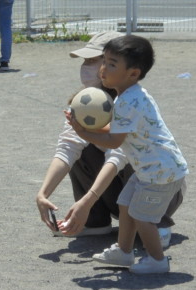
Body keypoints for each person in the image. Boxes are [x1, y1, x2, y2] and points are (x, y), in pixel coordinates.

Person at [36, 32, 183, 247]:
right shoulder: (85, 100)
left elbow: (118, 155)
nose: (90, 67)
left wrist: (87, 200)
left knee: (135, 159)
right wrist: (43, 194)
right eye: (88, 61)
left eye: (98, 61)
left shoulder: (129, 101)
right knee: (81, 144)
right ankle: (95, 221)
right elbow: (67, 147)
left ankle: (158, 223)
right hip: (121, 194)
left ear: (128, 68)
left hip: (162, 189)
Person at [66, 34, 188, 274]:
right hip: (151, 169)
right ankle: (123, 251)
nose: (103, 69)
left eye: (112, 64)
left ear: (133, 73)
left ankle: (157, 261)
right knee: (125, 204)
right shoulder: (130, 96)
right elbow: (116, 129)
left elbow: (114, 141)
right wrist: (85, 128)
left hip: (160, 173)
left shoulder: (127, 101)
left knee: (142, 216)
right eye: (104, 61)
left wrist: (82, 132)